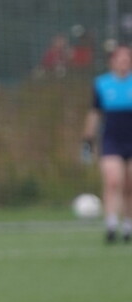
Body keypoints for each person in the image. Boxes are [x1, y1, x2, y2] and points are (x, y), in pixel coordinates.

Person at [82, 44, 132, 244]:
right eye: (120, 59)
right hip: (111, 140)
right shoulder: (102, 84)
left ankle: (128, 226)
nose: (124, 62)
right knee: (113, 181)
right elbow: (94, 113)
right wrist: (87, 140)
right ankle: (111, 226)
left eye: (127, 59)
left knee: (130, 185)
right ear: (112, 61)